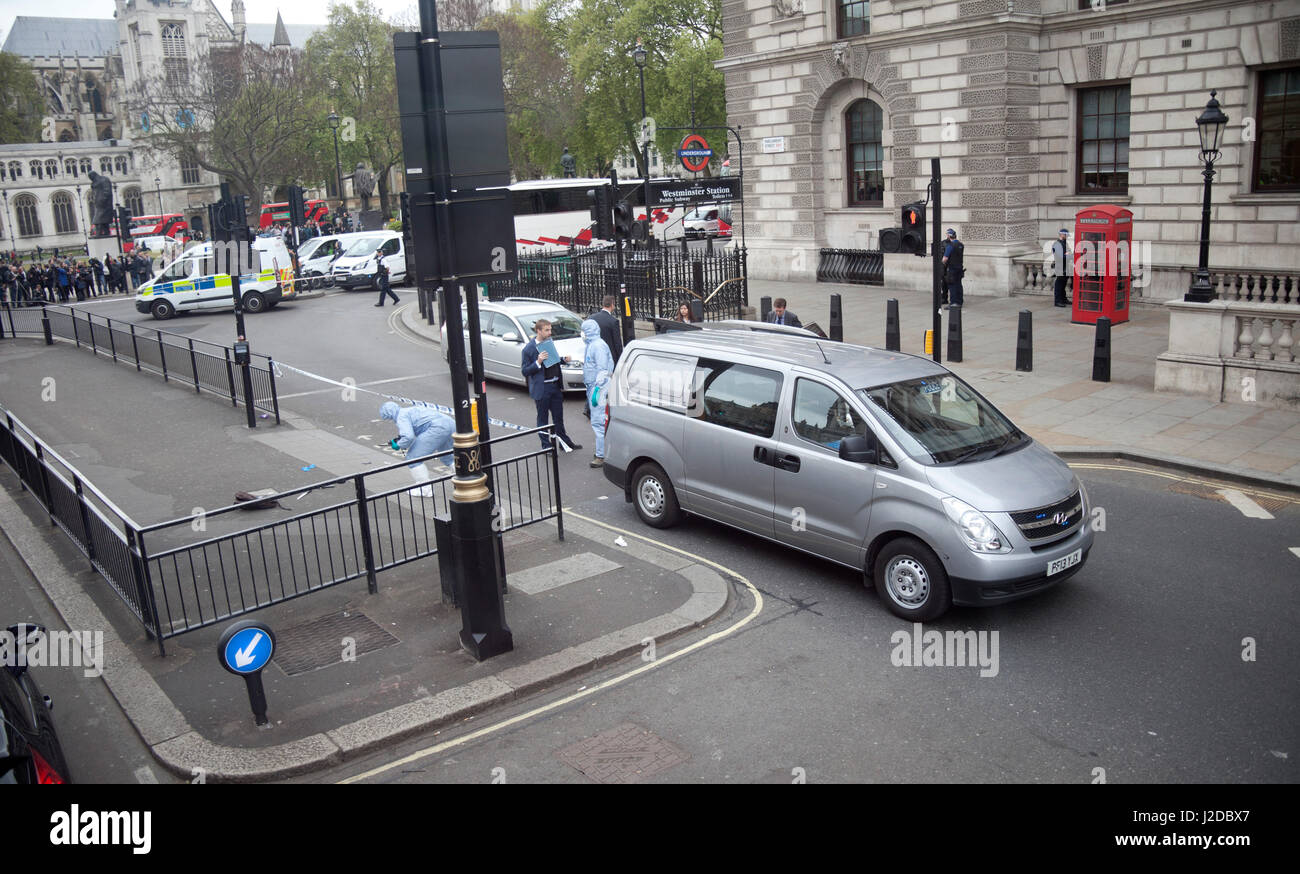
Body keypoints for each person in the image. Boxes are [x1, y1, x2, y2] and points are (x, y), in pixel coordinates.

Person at [521, 318, 581, 452]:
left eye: (550, 329)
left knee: (558, 418)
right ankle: (546, 446)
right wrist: (538, 362)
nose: (550, 332)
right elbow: (524, 371)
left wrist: (563, 360)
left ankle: (564, 443)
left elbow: (553, 361)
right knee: (542, 419)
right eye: (547, 330)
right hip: (542, 388)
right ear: (538, 331)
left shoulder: (549, 343)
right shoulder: (528, 349)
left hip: (554, 386)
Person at [379, 401, 455, 497]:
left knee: (413, 458)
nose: (390, 420)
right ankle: (463, 479)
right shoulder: (410, 409)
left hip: (436, 428)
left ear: (389, 414)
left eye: (388, 418)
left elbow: (408, 436)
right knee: (448, 457)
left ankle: (424, 489)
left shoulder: (401, 417)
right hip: (450, 423)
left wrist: (398, 445)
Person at [581, 319, 614, 468]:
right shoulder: (592, 345)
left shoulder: (597, 346)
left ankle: (601, 456)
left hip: (598, 388)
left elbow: (602, 370)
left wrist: (597, 391)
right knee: (600, 421)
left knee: (598, 422)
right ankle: (603, 452)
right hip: (595, 387)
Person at [591, 295, 623, 362]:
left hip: (595, 355)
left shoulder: (592, 318)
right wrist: (621, 357)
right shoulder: (613, 321)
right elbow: (617, 343)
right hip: (609, 357)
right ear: (612, 305)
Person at [942, 228, 964, 308]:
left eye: (947, 235)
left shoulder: (950, 245)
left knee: (952, 286)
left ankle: (953, 303)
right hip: (960, 268)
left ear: (949, 236)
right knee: (959, 285)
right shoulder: (961, 244)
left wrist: (943, 263)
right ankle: (960, 302)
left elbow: (945, 258)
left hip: (952, 269)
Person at [1051, 227, 1072, 308]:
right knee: (1059, 284)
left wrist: (1068, 254)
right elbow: (1061, 256)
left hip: (1065, 265)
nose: (1067, 237)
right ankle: (1057, 301)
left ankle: (1063, 299)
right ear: (1062, 234)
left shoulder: (1065, 243)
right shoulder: (1057, 244)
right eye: (1066, 235)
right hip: (1060, 266)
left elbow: (1069, 252)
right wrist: (1068, 255)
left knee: (1063, 283)